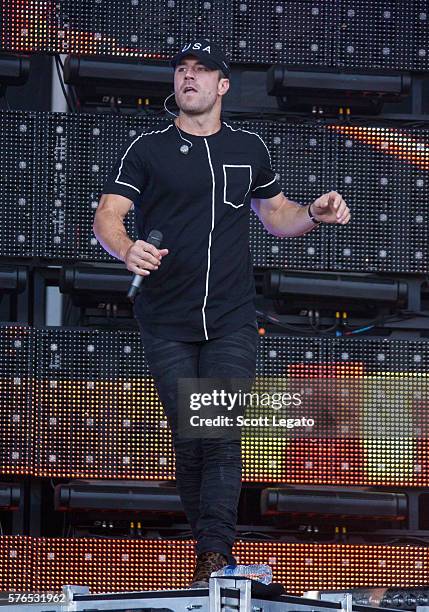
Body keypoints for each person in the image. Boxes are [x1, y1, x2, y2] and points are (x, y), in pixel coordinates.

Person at [93, 38, 350, 587]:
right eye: (182, 70)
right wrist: (125, 247)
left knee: (221, 430)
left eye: (201, 71)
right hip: (166, 318)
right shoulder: (148, 148)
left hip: (232, 316)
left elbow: (278, 217)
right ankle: (209, 547)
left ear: (222, 86)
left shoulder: (249, 147)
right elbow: (109, 216)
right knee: (192, 436)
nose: (189, 78)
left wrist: (315, 212)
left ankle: (214, 553)